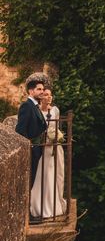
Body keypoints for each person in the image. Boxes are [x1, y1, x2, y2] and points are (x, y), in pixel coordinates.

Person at [29, 87, 67, 219]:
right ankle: (41, 204)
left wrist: (57, 136)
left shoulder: (55, 110)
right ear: (41, 97)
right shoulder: (37, 111)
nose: (49, 97)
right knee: (45, 173)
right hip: (44, 146)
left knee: (56, 174)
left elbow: (55, 128)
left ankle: (54, 204)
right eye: (45, 95)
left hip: (54, 146)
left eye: (50, 95)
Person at [15, 79, 47, 191]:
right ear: (31, 91)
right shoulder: (27, 106)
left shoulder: (35, 106)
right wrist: (30, 146)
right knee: (29, 182)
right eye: (39, 89)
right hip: (31, 150)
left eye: (43, 89)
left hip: (38, 149)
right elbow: (20, 130)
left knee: (33, 181)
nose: (42, 91)